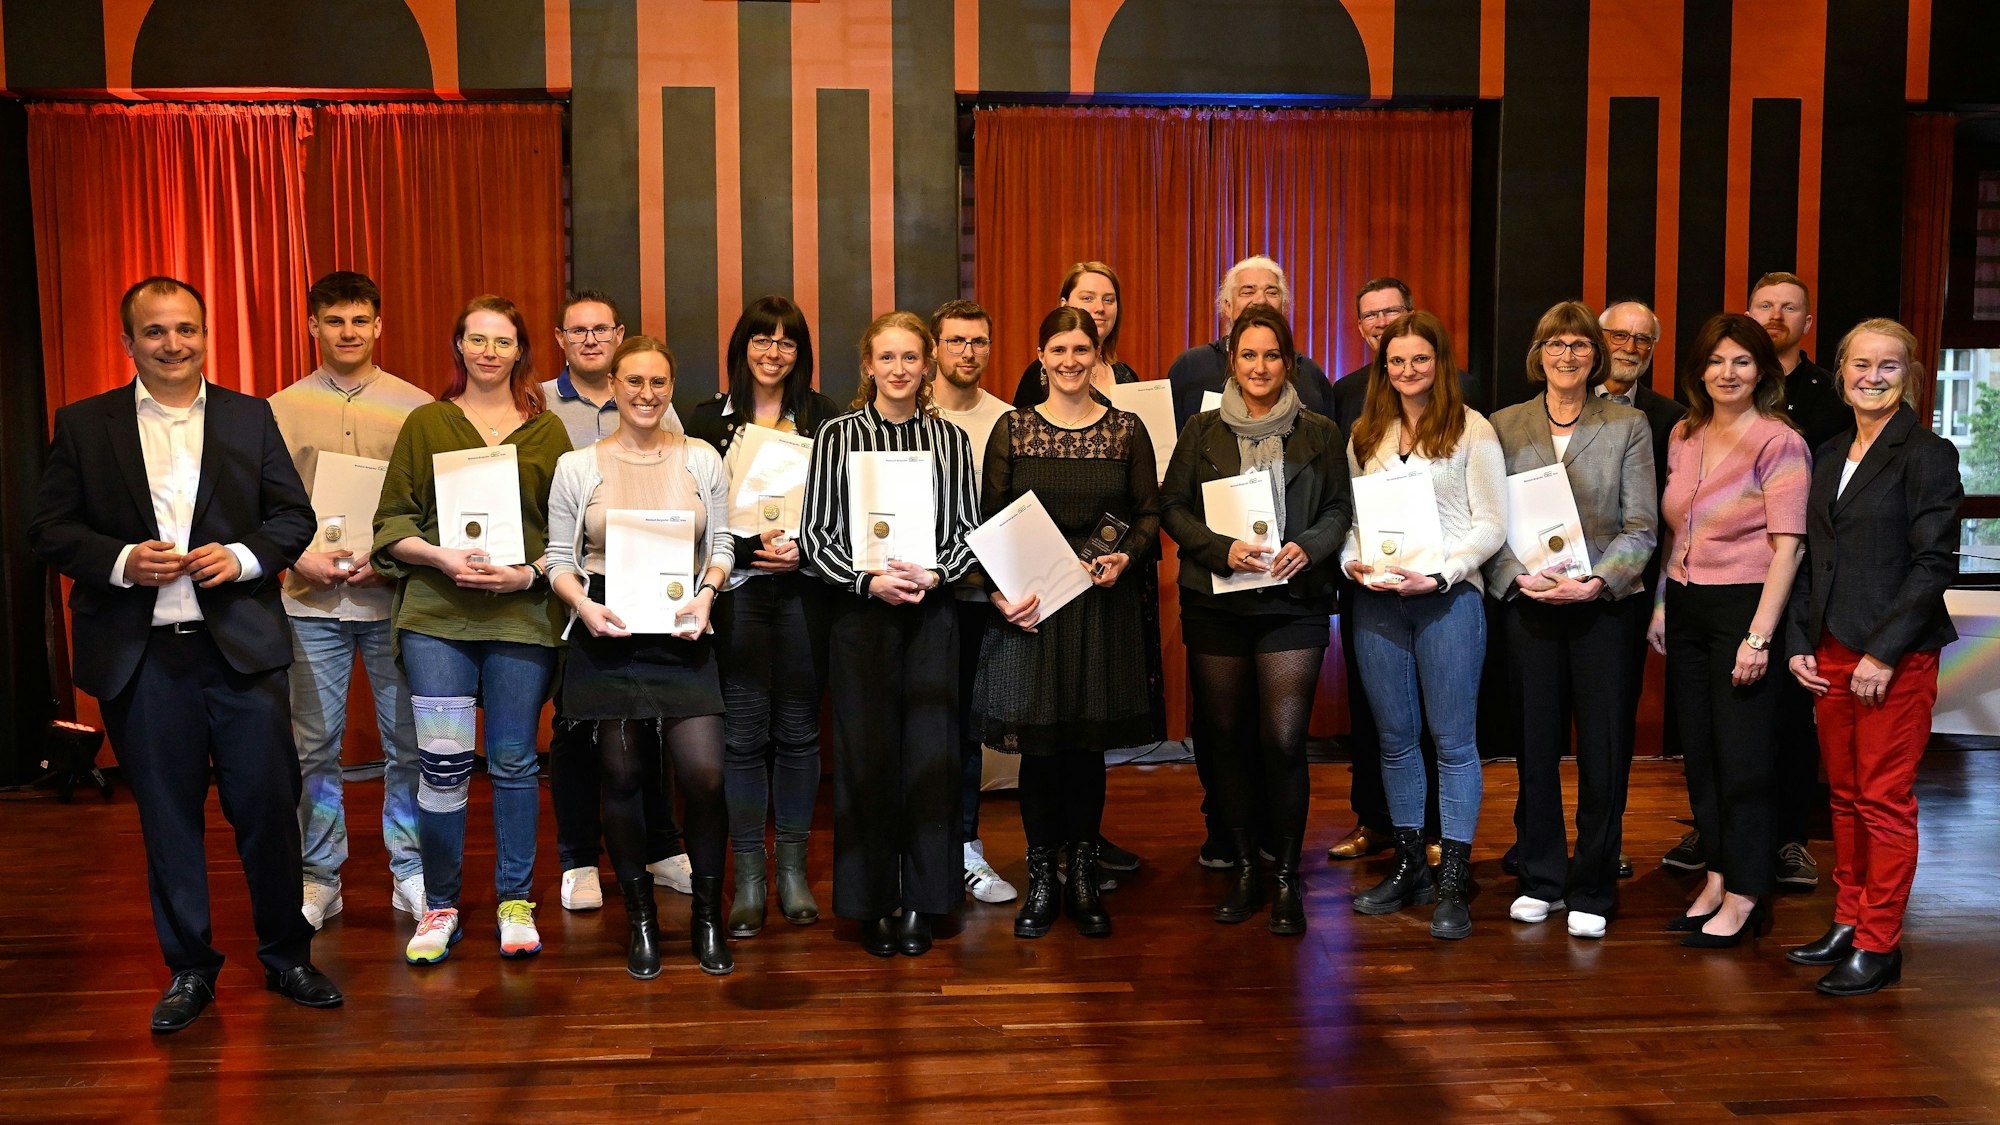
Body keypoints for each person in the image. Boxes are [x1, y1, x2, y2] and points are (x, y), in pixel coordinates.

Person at [29, 276, 341, 1032]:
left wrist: (241, 556)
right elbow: (48, 530)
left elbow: (292, 517)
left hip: (241, 649)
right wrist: (120, 560)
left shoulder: (247, 415)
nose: (175, 344)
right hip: (141, 659)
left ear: (207, 334)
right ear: (129, 340)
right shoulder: (83, 423)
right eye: (157, 331)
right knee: (168, 819)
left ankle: (287, 955)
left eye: (188, 330)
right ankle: (190, 969)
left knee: (268, 809)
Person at [374, 295, 571, 964]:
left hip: (521, 619)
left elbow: (570, 534)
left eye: (503, 340)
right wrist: (441, 556)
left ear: (522, 351)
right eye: (477, 338)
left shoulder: (547, 434)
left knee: (515, 759)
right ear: (458, 347)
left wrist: (528, 574)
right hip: (438, 618)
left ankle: (515, 900)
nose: (490, 350)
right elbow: (392, 524)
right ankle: (441, 904)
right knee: (444, 759)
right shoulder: (426, 423)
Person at [546, 336, 735, 977]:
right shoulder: (579, 466)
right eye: (634, 382)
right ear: (615, 388)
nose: (646, 394)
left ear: (671, 387)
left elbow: (724, 542)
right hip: (609, 626)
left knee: (705, 775)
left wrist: (708, 595)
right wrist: (584, 608)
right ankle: (642, 922)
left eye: (658, 382)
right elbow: (557, 559)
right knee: (621, 778)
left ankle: (708, 918)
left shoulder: (702, 459)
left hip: (683, 626)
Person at [1161, 305, 1352, 935]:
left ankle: (1285, 873)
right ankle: (1245, 866)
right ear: (1232, 363)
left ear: (1289, 363)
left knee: (1283, 740)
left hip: (1290, 603)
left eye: (1272, 355)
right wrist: (1221, 548)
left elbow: (1339, 509)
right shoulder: (1202, 429)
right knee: (1228, 740)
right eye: (1248, 355)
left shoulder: (1322, 432)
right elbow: (1173, 508)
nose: (1260, 366)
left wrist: (1312, 547)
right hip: (1218, 601)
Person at [1784, 319, 1961, 995]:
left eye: (1889, 365)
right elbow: (1812, 560)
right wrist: (1801, 642)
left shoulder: (1927, 454)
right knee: (1848, 799)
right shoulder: (1828, 451)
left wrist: (1883, 653)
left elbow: (1932, 564)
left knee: (1884, 800)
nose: (1874, 376)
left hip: (1896, 656)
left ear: (1909, 372)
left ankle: (1880, 942)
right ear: (1842, 370)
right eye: (1862, 364)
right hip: (1830, 650)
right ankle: (1848, 919)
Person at [799, 311, 981, 958]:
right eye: (888, 357)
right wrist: (866, 581)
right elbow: (815, 536)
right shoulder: (836, 437)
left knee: (932, 759)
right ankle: (873, 900)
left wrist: (934, 573)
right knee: (867, 759)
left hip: (931, 615)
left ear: (927, 364)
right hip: (862, 614)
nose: (900, 369)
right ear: (868, 365)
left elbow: (967, 532)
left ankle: (927, 902)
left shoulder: (952, 441)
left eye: (911, 357)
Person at [977, 307, 1161, 939]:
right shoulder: (1014, 430)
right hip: (1033, 610)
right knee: (1040, 751)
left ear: (1097, 352)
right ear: (1040, 354)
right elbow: (988, 522)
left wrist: (1126, 556)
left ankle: (1082, 876)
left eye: (1082, 348)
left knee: (1084, 752)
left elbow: (1148, 514)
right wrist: (1001, 596)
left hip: (1099, 607)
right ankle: (1041, 879)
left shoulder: (1127, 431)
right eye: (1058, 349)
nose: (1070, 360)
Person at [1484, 302, 1657, 940]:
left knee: (1604, 748)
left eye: (1579, 345)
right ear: (1539, 352)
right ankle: (1542, 877)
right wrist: (1513, 579)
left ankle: (1593, 882)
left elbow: (1640, 526)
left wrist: (1596, 582)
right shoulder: (1503, 424)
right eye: (1555, 344)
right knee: (1534, 742)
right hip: (1528, 604)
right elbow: (1490, 518)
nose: (1567, 355)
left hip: (1603, 610)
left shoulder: (1629, 424)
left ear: (1596, 354)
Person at [268, 271, 432, 930]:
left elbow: (429, 505)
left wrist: (390, 557)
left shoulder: (417, 407)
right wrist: (292, 555)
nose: (347, 332)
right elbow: (265, 507)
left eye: (360, 320)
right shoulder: (276, 409)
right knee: (314, 749)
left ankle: (411, 870)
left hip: (394, 601)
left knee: (409, 746)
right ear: (313, 326)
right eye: (334, 320)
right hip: (308, 602)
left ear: (379, 325)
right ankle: (319, 875)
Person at [1645, 313, 1809, 948]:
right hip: (1686, 606)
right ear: (1699, 371)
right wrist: (1662, 605)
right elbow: (1676, 532)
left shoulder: (1779, 441)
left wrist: (1759, 638)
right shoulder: (1685, 433)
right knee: (1703, 757)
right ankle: (1715, 877)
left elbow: (1788, 549)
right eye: (1716, 361)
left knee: (1744, 761)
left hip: (1746, 608)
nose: (1728, 373)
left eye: (1742, 361)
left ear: (1762, 370)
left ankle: (1745, 893)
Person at [1343, 310, 1506, 941]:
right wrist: (1349, 561)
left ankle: (1454, 878)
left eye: (1420, 359)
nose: (1408, 370)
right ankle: (1410, 865)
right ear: (1383, 370)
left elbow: (1491, 524)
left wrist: (1440, 574)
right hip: (1379, 603)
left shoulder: (1472, 430)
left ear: (1440, 363)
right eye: (1396, 361)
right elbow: (1355, 518)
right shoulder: (1367, 432)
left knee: (1455, 742)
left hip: (1447, 601)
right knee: (1395, 739)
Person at [685, 296, 843, 936]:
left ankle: (792, 871)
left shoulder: (827, 418)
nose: (773, 351)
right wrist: (749, 549)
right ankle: (749, 874)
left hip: (807, 588)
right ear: (741, 346)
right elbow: (694, 512)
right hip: (738, 592)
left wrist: (809, 545)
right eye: (762, 339)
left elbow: (844, 501)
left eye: (787, 342)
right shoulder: (706, 421)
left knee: (802, 731)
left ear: (801, 353)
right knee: (745, 734)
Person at [541, 290, 690, 912]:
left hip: (652, 597)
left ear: (619, 334)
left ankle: (658, 847)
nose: (591, 340)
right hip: (571, 596)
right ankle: (579, 857)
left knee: (645, 727)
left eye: (602, 329)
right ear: (560, 339)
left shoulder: (661, 408)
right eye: (578, 331)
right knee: (575, 731)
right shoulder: (541, 407)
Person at [1325, 277, 1441, 866]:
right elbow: (1337, 486)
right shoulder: (1346, 394)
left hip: (1439, 586)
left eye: (1390, 313)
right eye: (1369, 316)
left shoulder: (1460, 395)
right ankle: (1375, 821)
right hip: (1370, 579)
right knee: (1373, 711)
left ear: (1410, 314)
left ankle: (1438, 829)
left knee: (1438, 711)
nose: (1378, 323)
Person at [1748, 272, 1842, 890]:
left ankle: (1787, 838)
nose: (1776, 315)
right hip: (1727, 572)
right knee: (1726, 710)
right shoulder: (1727, 384)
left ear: (1808, 323)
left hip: (1800, 572)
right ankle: (1722, 825)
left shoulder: (1829, 400)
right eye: (1765, 306)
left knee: (1787, 713)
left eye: (1790, 308)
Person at [928, 299, 1021, 906]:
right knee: (917, 725)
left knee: (966, 730)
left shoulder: (1009, 421)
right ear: (935, 347)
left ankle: (963, 846)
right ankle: (914, 849)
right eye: (957, 341)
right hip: (913, 596)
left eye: (979, 342)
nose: (968, 352)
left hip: (985, 599)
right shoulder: (907, 413)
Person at [1598, 300, 1696, 876]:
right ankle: (1537, 839)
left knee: (1614, 722)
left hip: (1630, 593)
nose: (1631, 347)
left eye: (1643, 340)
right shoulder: (1559, 405)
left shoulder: (1673, 420)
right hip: (1548, 585)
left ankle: (1605, 843)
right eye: (1619, 335)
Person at [1169, 256, 1336, 430]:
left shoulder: (1311, 374)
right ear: (1227, 306)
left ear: (1284, 306)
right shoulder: (1190, 368)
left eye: (1272, 292)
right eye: (1247, 291)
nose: (1260, 300)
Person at [1012, 261, 1140, 407]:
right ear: (1064, 305)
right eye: (1087, 298)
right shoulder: (1044, 372)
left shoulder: (1127, 374)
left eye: (1108, 300)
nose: (1100, 308)